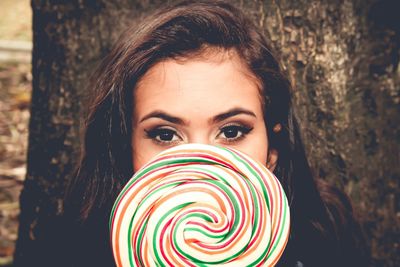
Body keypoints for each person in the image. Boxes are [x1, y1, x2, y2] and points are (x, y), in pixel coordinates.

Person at [64, 1, 368, 266]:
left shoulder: (327, 243)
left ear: (272, 149)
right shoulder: (81, 249)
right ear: (124, 147)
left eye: (232, 131)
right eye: (166, 135)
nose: (201, 166)